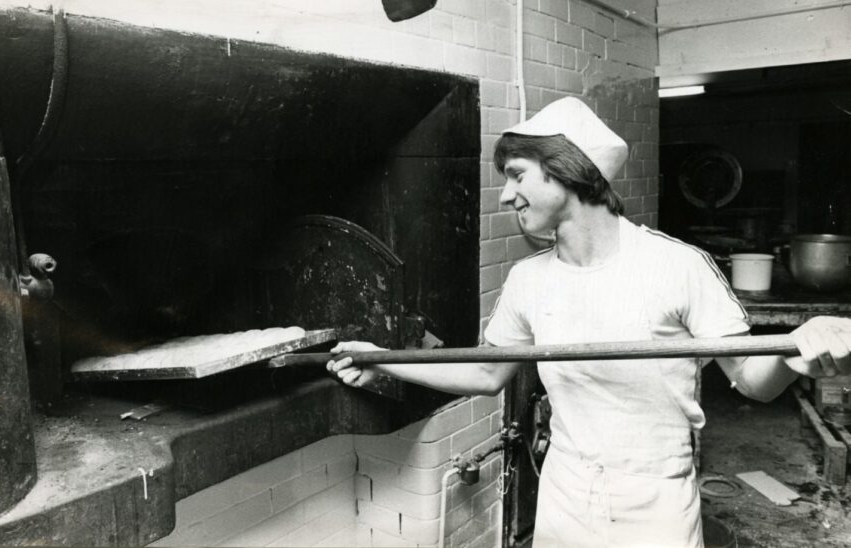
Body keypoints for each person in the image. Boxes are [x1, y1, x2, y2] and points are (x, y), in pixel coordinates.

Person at [326, 97, 851, 547]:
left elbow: (753, 383)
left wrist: (794, 354)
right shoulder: (530, 280)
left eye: (516, 175)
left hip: (656, 498)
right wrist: (384, 363)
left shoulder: (676, 265)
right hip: (565, 492)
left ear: (566, 168)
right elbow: (485, 375)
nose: (506, 195)